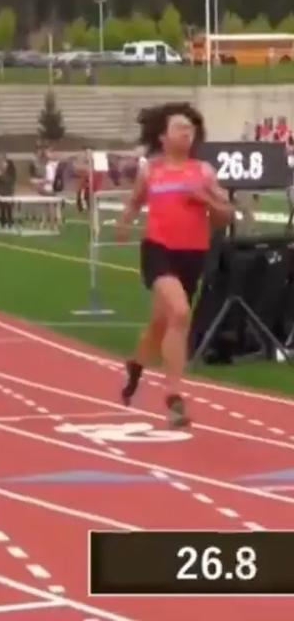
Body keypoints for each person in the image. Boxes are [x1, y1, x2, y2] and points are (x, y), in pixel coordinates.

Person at [116, 102, 233, 428]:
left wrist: (206, 200)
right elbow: (137, 201)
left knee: (160, 325)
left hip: (192, 253)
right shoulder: (150, 170)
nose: (187, 133)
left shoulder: (204, 172)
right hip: (158, 250)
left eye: (191, 129)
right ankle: (174, 396)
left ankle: (135, 369)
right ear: (163, 137)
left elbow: (226, 215)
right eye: (180, 128)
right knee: (180, 313)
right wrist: (125, 221)